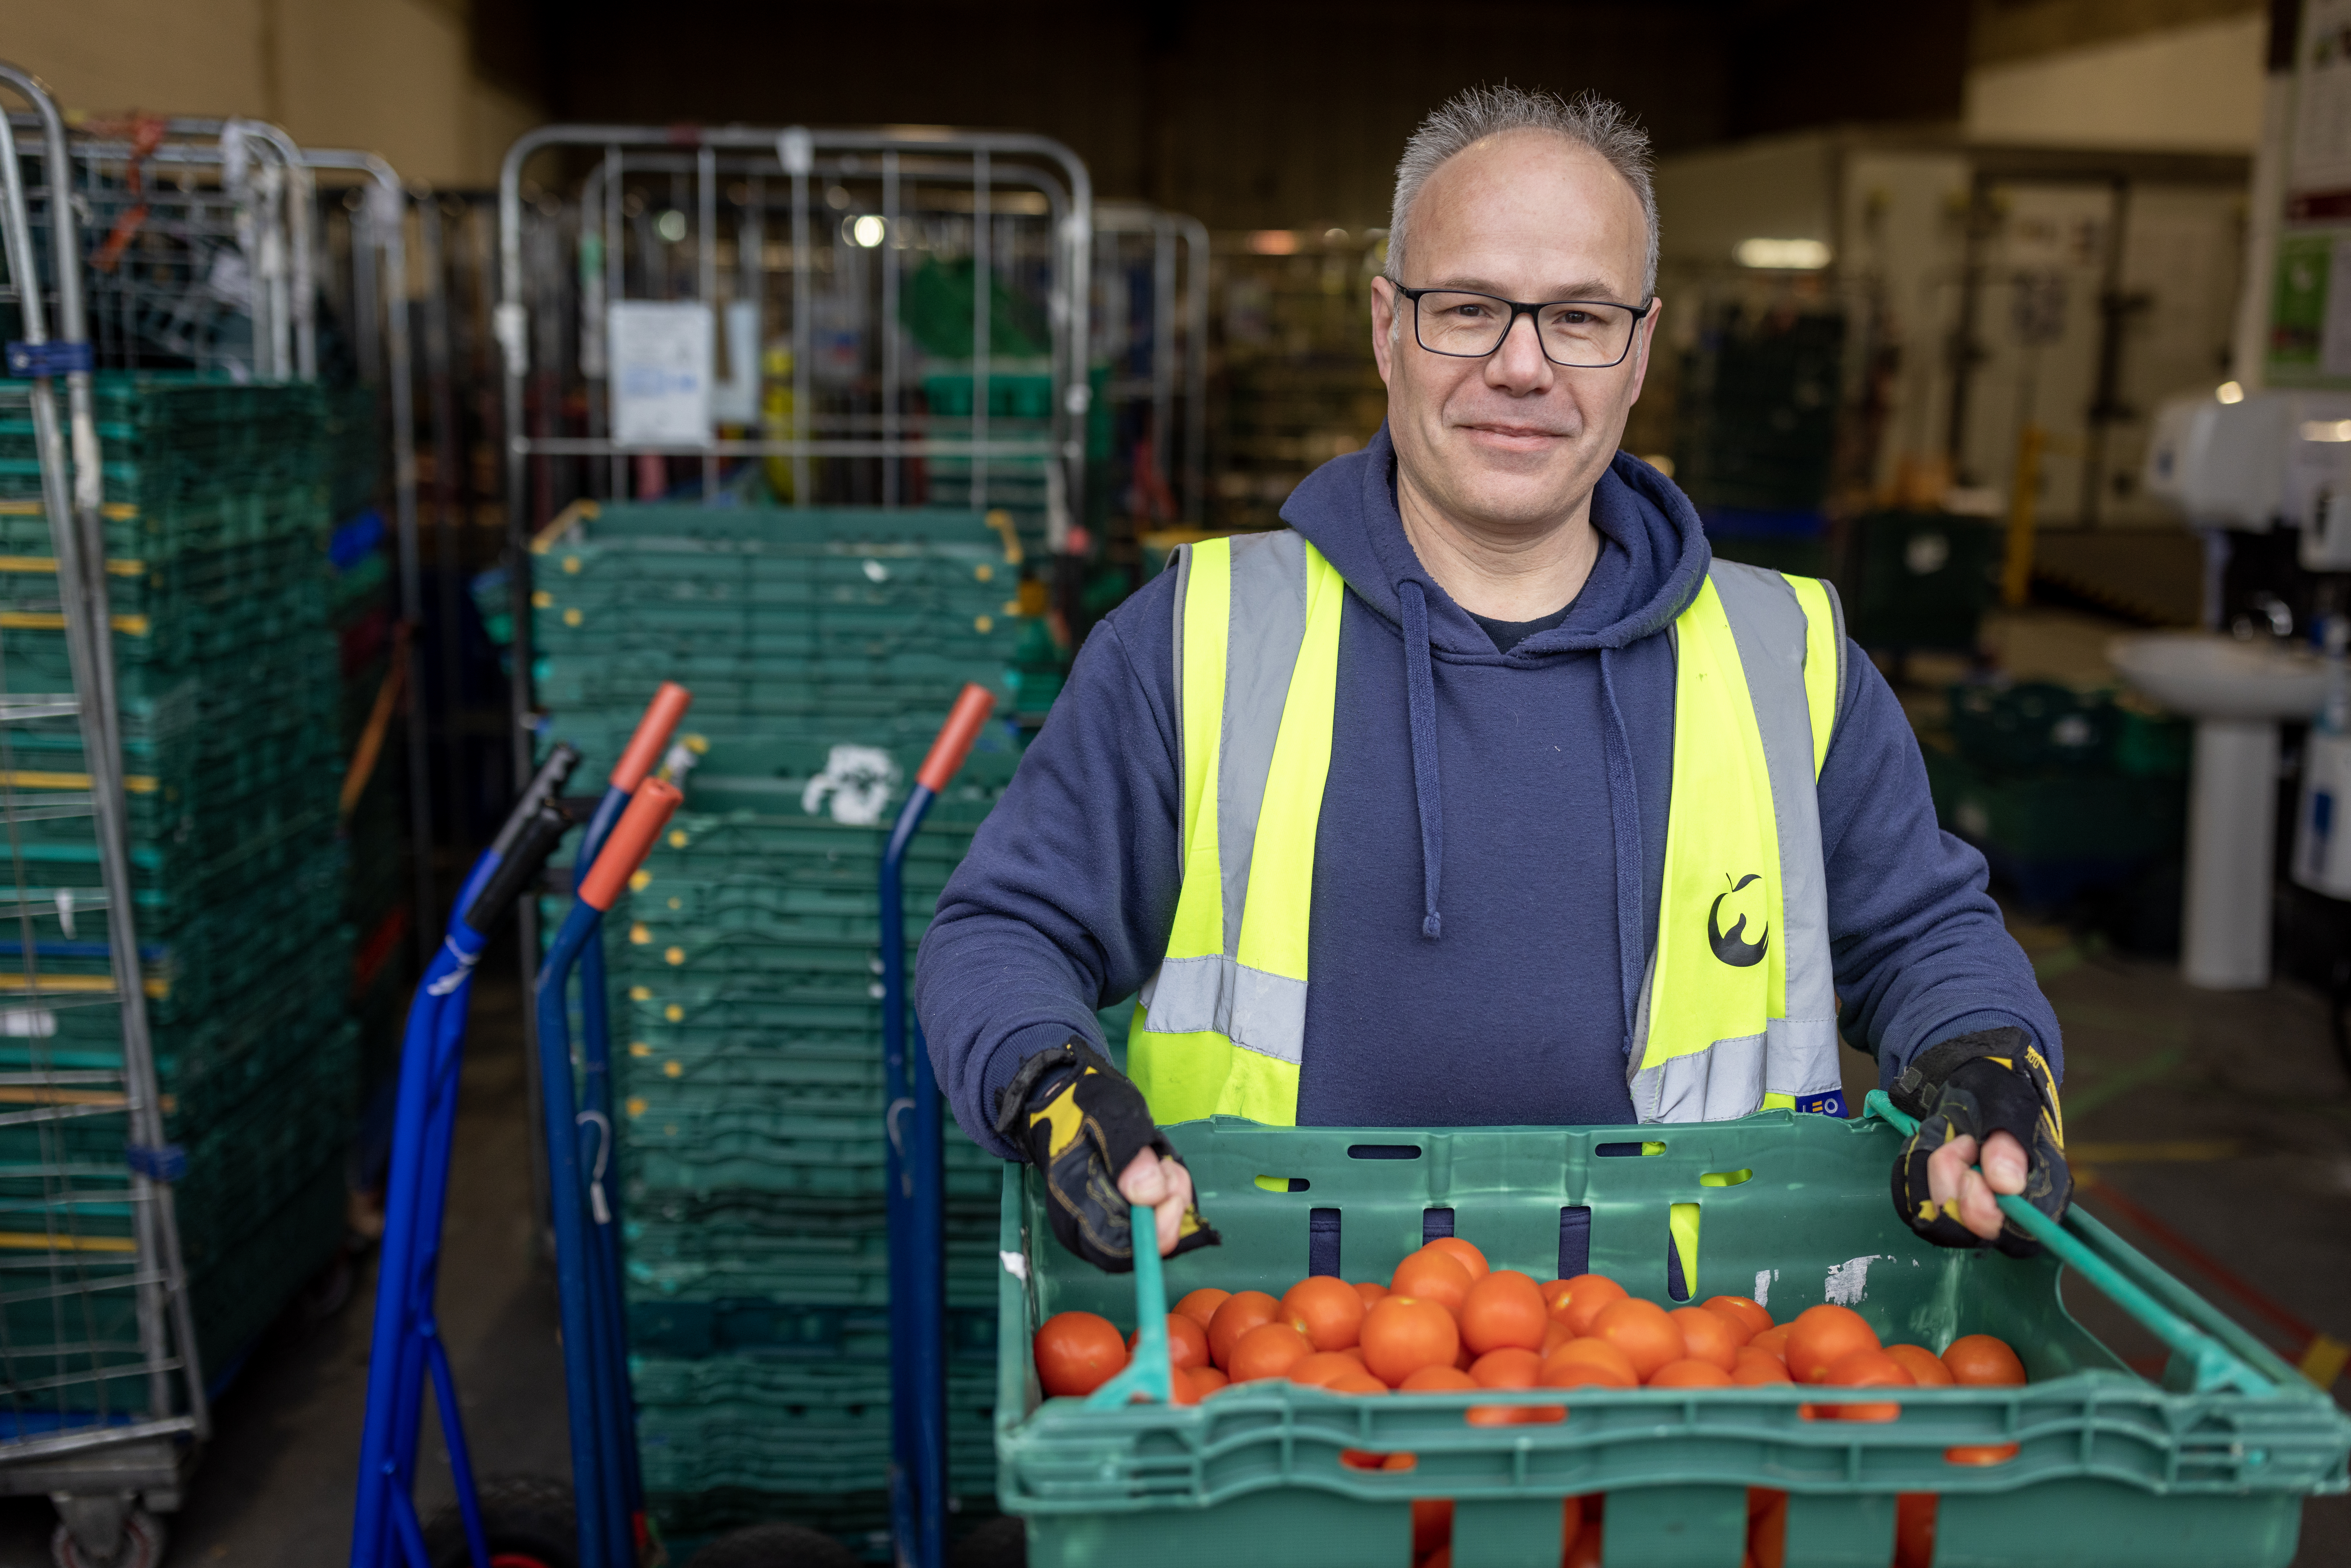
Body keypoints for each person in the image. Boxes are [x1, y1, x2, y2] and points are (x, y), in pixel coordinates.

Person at [916, 86, 2066, 1273]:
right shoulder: (1199, 637)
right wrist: (1048, 1077)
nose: (1521, 367)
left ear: (1639, 349)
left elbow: (1925, 936)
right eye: (1466, 309)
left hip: (1688, 1380)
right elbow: (1003, 928)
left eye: (1577, 317)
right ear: (1385, 326)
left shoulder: (1789, 659)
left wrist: (1988, 1056)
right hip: (1263, 1359)